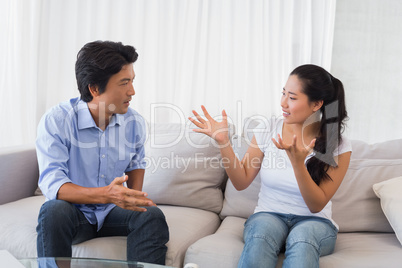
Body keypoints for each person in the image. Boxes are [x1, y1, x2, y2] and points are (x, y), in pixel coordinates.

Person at [189, 64, 351, 268]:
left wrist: (297, 163)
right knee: (262, 234)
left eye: (292, 98)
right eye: (283, 93)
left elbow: (316, 205)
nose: (283, 103)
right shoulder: (269, 127)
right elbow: (241, 181)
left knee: (302, 238)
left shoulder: (337, 143)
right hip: (269, 215)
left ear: (316, 104)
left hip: (315, 222)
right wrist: (223, 142)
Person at [36, 41, 169, 265]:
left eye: (132, 81)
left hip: (111, 212)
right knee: (52, 211)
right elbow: (53, 184)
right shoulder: (57, 120)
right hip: (73, 212)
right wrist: (108, 194)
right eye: (124, 83)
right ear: (94, 88)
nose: (132, 91)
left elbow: (136, 162)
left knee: (151, 215)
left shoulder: (134, 122)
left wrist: (133, 199)